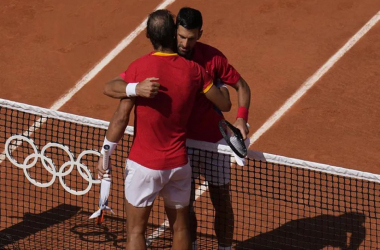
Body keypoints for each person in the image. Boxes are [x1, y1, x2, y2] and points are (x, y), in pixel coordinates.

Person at [103, 7, 251, 250]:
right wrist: (136, 88)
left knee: (221, 200)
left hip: (213, 143)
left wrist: (241, 119)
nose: (185, 43)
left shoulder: (212, 59)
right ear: (174, 33)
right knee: (185, 210)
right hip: (183, 147)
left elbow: (241, 87)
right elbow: (224, 100)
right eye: (181, 37)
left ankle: (224, 248)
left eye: (191, 38)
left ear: (200, 35)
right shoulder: (181, 67)